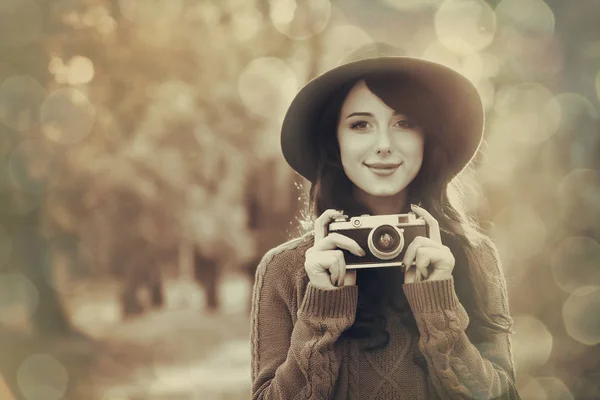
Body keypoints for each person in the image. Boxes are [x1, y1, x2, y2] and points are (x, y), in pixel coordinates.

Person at [250, 43, 520, 400]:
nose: (383, 144)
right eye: (360, 124)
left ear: (427, 139)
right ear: (335, 141)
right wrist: (321, 309)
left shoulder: (473, 255)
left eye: (404, 123)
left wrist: (437, 305)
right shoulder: (285, 269)